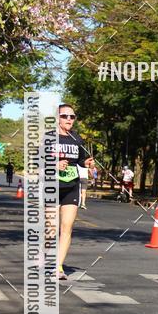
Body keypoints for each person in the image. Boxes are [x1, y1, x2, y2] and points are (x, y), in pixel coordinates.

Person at [57, 103, 94, 279]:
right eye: (65, 116)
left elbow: (80, 160)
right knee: (49, 228)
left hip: (71, 186)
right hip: (51, 186)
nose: (69, 119)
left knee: (67, 227)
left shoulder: (77, 139)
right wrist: (54, 165)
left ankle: (58, 267)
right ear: (57, 118)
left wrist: (85, 163)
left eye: (72, 116)